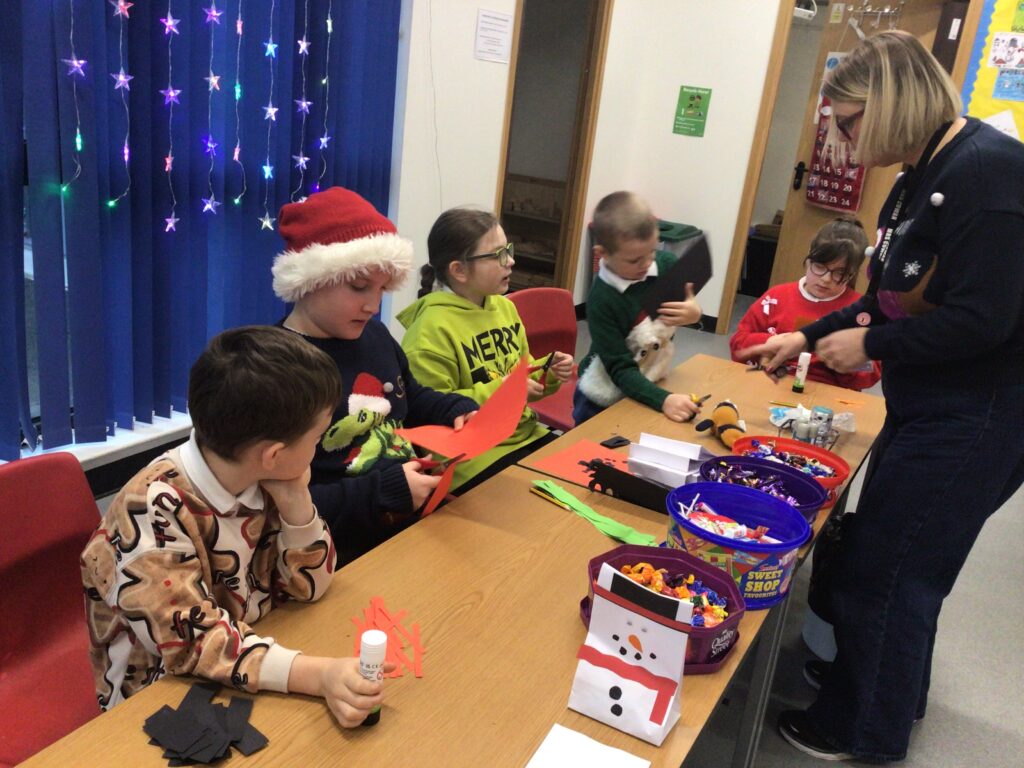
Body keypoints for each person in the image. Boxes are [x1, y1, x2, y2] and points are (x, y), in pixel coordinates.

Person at [738, 31, 1024, 762]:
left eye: (849, 121)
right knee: (886, 554)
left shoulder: (990, 173)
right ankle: (883, 688)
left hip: (980, 413)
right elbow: (884, 300)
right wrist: (806, 337)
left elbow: (984, 319)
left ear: (891, 102)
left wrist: (870, 348)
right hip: (929, 403)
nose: (842, 140)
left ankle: (864, 727)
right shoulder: (915, 176)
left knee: (891, 571)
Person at [81, 326, 391, 726]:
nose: (317, 448)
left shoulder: (262, 475)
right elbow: (193, 644)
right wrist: (319, 676)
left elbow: (311, 586)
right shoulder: (150, 511)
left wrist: (296, 500)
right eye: (317, 438)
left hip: (252, 654)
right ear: (273, 454)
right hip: (158, 691)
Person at [271, 186, 478, 566]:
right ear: (309, 280)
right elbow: (277, 502)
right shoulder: (278, 368)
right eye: (359, 287)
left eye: (382, 289)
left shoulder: (375, 335)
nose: (373, 304)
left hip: (415, 515)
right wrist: (382, 492)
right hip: (342, 549)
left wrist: (454, 408)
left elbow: (409, 396)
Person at [396, 208, 574, 494]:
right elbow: (428, 413)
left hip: (522, 434)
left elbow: (520, 374)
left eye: (508, 250)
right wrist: (504, 392)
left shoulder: (504, 307)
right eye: (498, 255)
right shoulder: (430, 330)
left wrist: (547, 372)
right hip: (474, 457)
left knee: (580, 484)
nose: (511, 261)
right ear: (459, 270)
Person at [573, 191, 703, 425]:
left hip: (649, 380)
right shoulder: (601, 300)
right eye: (634, 260)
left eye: (652, 251)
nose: (647, 264)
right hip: (601, 395)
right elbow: (619, 368)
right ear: (602, 254)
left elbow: (685, 304)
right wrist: (663, 400)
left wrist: (693, 313)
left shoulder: (666, 265)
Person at [729, 218, 881, 391]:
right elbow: (737, 345)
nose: (826, 279)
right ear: (809, 258)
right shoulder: (776, 297)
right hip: (770, 384)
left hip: (826, 394)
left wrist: (840, 359)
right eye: (820, 266)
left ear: (853, 273)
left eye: (840, 273)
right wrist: (771, 341)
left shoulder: (861, 312)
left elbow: (871, 374)